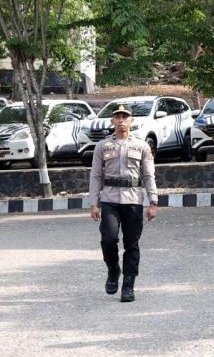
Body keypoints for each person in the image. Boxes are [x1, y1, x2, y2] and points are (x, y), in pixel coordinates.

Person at [89, 103, 158, 303]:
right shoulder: (102, 146)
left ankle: (128, 285)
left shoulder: (141, 146)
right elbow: (95, 175)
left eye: (124, 117)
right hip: (109, 199)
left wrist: (153, 202)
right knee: (108, 239)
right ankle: (113, 270)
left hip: (133, 200)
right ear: (112, 121)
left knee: (132, 244)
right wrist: (94, 202)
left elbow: (148, 175)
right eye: (117, 117)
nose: (121, 121)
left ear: (131, 121)